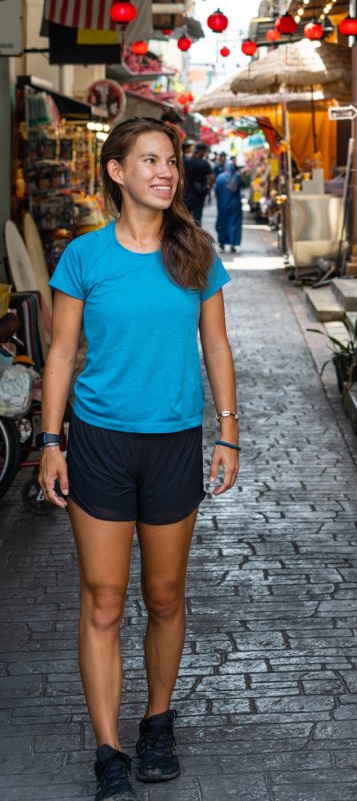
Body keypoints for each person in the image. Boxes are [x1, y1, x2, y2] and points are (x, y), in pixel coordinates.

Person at [38, 118, 239, 801]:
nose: (165, 171)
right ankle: (108, 753)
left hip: (175, 442)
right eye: (149, 160)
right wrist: (50, 441)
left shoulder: (196, 254)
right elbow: (61, 354)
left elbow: (216, 348)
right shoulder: (84, 257)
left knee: (164, 595)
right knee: (102, 601)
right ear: (116, 172)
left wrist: (228, 432)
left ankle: (157, 719)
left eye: (172, 161)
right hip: (98, 443)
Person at [214, 158, 243, 254]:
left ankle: (221, 243)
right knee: (234, 223)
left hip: (223, 204)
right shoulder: (237, 177)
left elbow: (216, 192)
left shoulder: (220, 178)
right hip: (235, 204)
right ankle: (232, 245)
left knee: (222, 223)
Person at [182, 143, 213, 227]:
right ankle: (196, 236)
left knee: (184, 216)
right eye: (204, 151)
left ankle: (183, 235)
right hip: (199, 193)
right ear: (201, 151)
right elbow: (211, 178)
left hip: (186, 192)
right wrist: (209, 189)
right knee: (197, 217)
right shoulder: (205, 164)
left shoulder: (186, 161)